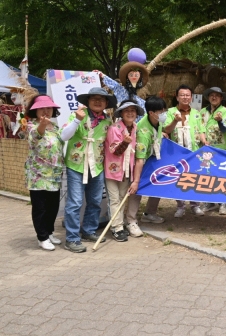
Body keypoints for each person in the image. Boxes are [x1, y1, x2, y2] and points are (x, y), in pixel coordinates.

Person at [61, 87, 117, 253]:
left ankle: (89, 230)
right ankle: (71, 238)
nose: (98, 101)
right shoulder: (77, 115)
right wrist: (77, 120)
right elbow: (63, 136)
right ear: (87, 101)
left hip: (97, 166)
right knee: (75, 202)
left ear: (106, 103)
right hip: (76, 165)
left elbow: (113, 141)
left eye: (101, 99)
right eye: (94, 98)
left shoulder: (108, 121)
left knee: (94, 201)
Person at [24, 95, 64, 251]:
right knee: (40, 208)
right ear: (35, 111)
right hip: (38, 176)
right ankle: (42, 237)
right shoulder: (31, 126)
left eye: (48, 108)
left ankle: (49, 232)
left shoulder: (55, 128)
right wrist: (41, 125)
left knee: (53, 207)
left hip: (54, 175)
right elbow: (36, 136)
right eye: (42, 108)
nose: (46, 111)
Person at [104, 100, 145, 242]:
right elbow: (114, 151)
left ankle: (119, 224)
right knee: (114, 199)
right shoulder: (114, 128)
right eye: (126, 110)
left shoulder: (135, 127)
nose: (130, 113)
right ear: (121, 113)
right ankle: (117, 228)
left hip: (127, 170)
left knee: (122, 198)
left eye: (133, 110)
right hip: (113, 170)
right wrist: (125, 142)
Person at [164, 85, 207, 218]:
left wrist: (205, 142)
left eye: (187, 95)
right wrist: (174, 121)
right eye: (182, 95)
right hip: (176, 152)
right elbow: (166, 130)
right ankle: (180, 206)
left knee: (194, 178)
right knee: (179, 179)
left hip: (193, 152)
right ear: (177, 97)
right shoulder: (170, 112)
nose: (185, 97)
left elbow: (201, 131)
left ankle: (195, 205)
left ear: (191, 97)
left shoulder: (196, 113)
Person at [127, 96, 167, 229]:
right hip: (139, 162)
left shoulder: (157, 122)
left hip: (152, 159)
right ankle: (131, 220)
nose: (164, 114)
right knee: (136, 190)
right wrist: (136, 180)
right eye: (161, 112)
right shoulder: (143, 131)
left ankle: (150, 213)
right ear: (151, 113)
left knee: (158, 183)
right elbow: (139, 159)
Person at [199, 87, 226, 215]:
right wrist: (204, 141)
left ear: (221, 98)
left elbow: (225, 129)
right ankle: (210, 202)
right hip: (207, 149)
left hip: (222, 148)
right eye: (211, 95)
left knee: (222, 176)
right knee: (208, 176)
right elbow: (200, 128)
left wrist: (220, 122)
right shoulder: (202, 112)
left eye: (217, 95)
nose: (214, 97)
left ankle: (223, 203)